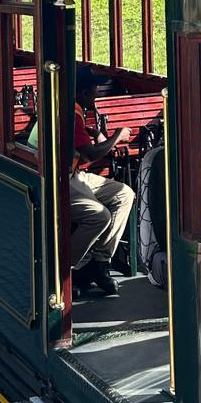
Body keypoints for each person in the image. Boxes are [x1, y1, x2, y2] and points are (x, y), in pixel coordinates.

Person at [69, 64, 135, 296]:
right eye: (95, 90)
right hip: (60, 180)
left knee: (124, 194)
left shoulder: (74, 111)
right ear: (84, 93)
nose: (97, 94)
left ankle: (100, 262)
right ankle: (65, 271)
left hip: (74, 174)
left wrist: (94, 133)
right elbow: (90, 155)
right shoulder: (71, 114)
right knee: (99, 216)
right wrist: (117, 135)